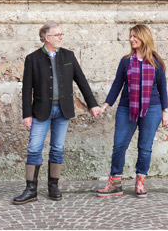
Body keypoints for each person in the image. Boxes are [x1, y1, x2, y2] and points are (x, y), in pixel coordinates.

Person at [13, 22, 102, 205]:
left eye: (62, 34)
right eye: (58, 34)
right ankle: (31, 189)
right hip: (40, 111)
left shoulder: (68, 56)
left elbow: (81, 82)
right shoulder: (33, 58)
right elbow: (26, 88)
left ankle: (53, 186)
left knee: (57, 149)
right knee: (34, 148)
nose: (61, 37)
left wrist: (92, 104)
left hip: (63, 110)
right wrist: (26, 114)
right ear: (47, 38)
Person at [96, 24, 168, 199]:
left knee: (145, 148)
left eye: (134, 36)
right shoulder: (126, 61)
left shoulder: (156, 62)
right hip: (126, 107)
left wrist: (165, 111)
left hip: (152, 109)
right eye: (130, 37)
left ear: (144, 37)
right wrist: (105, 106)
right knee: (119, 145)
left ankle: (140, 182)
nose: (131, 40)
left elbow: (163, 89)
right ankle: (115, 184)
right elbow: (117, 85)